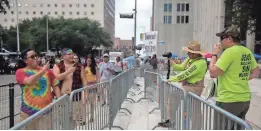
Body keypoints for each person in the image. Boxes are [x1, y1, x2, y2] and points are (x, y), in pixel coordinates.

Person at [209, 26, 260, 130]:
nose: (220, 42)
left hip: (229, 99)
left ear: (229, 39)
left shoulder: (229, 52)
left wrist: (214, 54)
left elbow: (213, 73)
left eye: (221, 38)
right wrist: (240, 79)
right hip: (244, 99)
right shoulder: (247, 51)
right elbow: (256, 72)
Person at [158, 41, 207, 129]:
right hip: (188, 86)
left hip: (195, 87)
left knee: (195, 110)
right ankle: (170, 121)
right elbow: (180, 67)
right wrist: (171, 62)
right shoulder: (190, 59)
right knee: (177, 98)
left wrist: (170, 79)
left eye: (190, 52)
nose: (188, 53)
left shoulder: (200, 63)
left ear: (195, 54)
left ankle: (195, 128)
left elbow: (185, 74)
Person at [15, 48, 61, 130]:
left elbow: (55, 86)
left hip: (46, 113)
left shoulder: (48, 72)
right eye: (33, 56)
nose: (36, 58)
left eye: (36, 55)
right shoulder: (20, 72)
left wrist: (60, 101)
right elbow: (29, 81)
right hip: (28, 114)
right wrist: (43, 71)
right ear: (26, 60)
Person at [53, 48, 87, 127]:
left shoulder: (79, 66)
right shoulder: (57, 66)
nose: (72, 55)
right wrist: (68, 72)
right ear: (63, 56)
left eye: (72, 53)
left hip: (75, 97)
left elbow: (84, 81)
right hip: (61, 97)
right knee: (62, 120)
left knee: (74, 119)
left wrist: (85, 94)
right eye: (69, 54)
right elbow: (56, 78)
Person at [84, 56, 100, 122]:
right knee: (84, 103)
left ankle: (92, 117)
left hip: (93, 88)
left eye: (90, 61)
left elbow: (98, 78)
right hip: (85, 88)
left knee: (91, 103)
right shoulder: (84, 68)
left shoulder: (95, 68)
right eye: (87, 61)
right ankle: (84, 118)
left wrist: (97, 87)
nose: (89, 62)